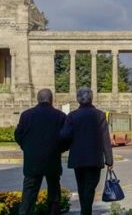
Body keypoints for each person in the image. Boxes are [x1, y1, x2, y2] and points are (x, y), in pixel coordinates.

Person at [60, 87, 113, 215]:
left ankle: (85, 211)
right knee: (90, 188)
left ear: (78, 99)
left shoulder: (72, 116)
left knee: (82, 187)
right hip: (94, 158)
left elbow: (64, 135)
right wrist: (109, 160)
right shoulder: (99, 115)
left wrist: (66, 146)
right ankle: (86, 212)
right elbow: (105, 138)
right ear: (92, 98)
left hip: (78, 158)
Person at [15, 89, 66, 215]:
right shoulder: (60, 116)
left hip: (32, 160)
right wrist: (59, 149)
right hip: (52, 159)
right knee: (54, 191)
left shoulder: (26, 115)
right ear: (51, 99)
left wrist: (26, 147)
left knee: (29, 193)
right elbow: (66, 137)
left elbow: (18, 134)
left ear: (37, 99)